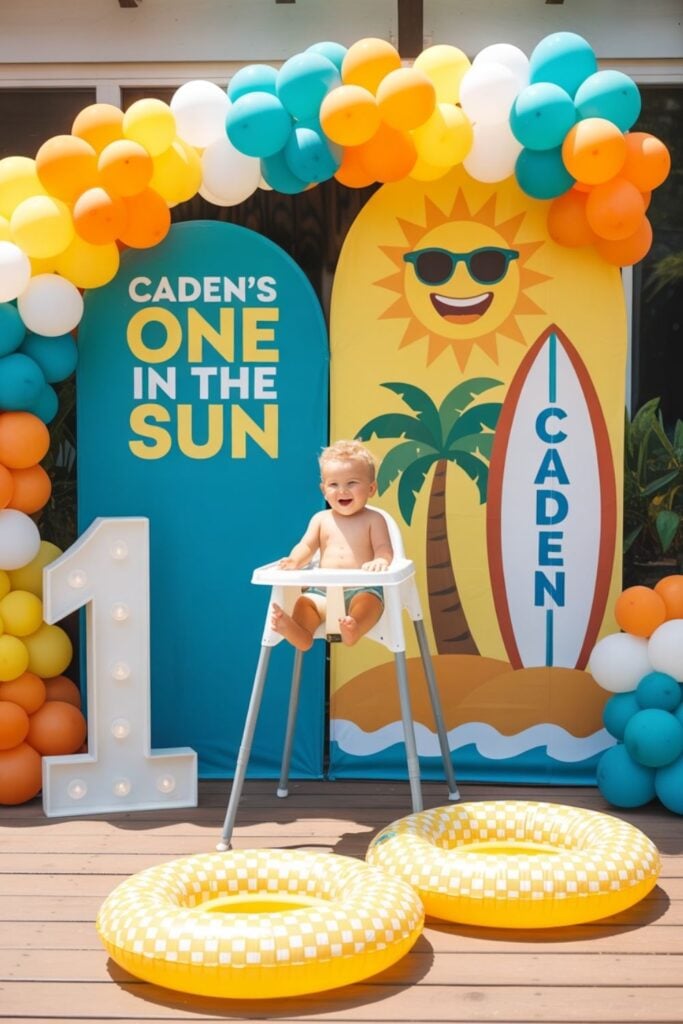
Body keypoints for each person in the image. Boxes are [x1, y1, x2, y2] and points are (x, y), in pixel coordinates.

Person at [271, 439, 394, 650]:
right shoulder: (321, 519)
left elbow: (384, 548)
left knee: (369, 603)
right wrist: (294, 560)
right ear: (323, 490)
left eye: (352, 483)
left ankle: (353, 628)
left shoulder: (374, 520)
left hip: (361, 589)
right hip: (322, 592)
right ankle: (297, 633)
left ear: (371, 488)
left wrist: (380, 561)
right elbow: (307, 546)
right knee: (304, 603)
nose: (342, 491)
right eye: (334, 484)